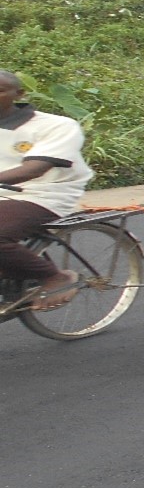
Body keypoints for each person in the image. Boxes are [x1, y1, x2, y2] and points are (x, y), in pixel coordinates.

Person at [0, 70, 93, 311]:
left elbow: (34, 169)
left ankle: (55, 277)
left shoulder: (56, 125)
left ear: (19, 94)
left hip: (42, 193)